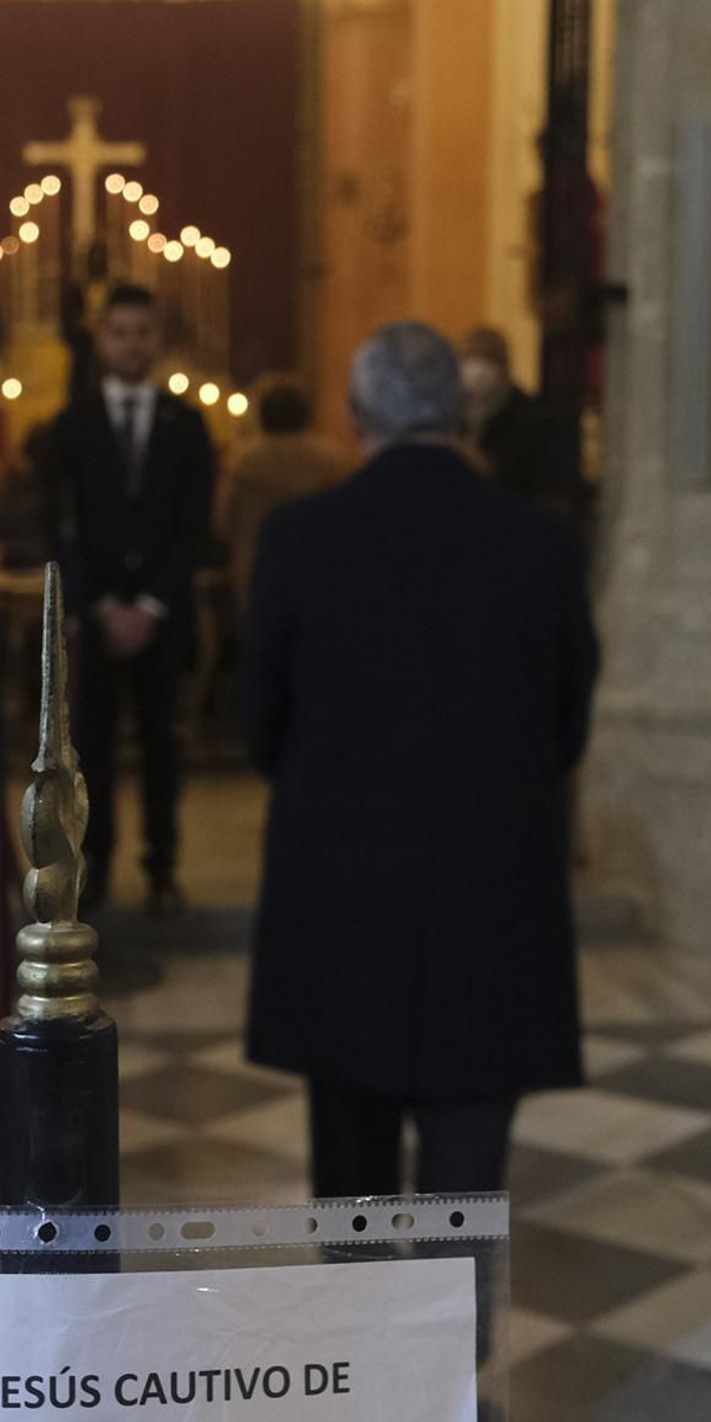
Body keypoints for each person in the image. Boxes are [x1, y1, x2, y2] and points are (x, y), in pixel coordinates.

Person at [244, 319, 599, 1199]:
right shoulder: (541, 545)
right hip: (493, 895)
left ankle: (362, 1336)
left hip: (341, 898)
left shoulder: (299, 539)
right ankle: (456, 1333)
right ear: (461, 411)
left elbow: (258, 727)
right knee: (467, 1190)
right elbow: (569, 724)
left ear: (358, 412)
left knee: (352, 1183)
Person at [48, 282, 214, 915]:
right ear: (102, 338)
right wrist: (97, 607)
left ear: (159, 340)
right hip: (96, 620)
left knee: (161, 743)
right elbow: (62, 525)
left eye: (143, 332)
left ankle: (162, 864)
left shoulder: (186, 426)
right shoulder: (73, 426)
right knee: (91, 748)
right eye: (120, 332)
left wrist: (150, 605)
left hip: (159, 618)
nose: (132, 344)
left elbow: (191, 525)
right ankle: (98, 868)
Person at [218, 377, 347, 616]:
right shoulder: (332, 461)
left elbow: (224, 520)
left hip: (256, 570)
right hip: (318, 568)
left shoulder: (244, 462)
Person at [460, 325, 585, 527]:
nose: (478, 368)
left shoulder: (535, 420)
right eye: (471, 356)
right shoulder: (452, 417)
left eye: (489, 357)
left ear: (505, 364)